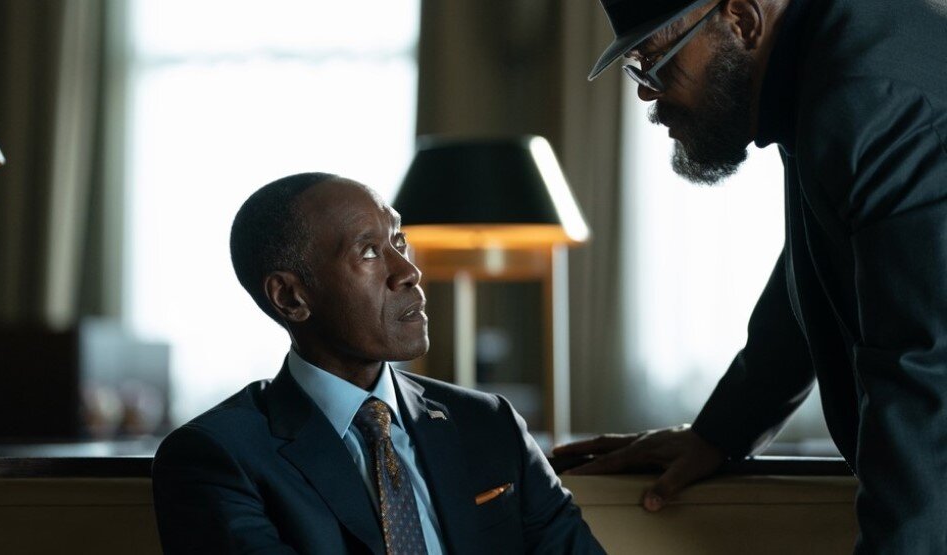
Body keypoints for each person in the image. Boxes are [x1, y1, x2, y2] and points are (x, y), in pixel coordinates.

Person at [555, 0, 947, 551]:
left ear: (741, 19)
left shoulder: (869, 94)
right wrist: (720, 432)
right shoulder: (822, 65)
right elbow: (824, 269)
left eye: (657, 61)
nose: (646, 93)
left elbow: (927, 372)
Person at [152, 173, 604, 554]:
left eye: (398, 241)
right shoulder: (217, 457)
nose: (408, 271)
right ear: (291, 297)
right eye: (369, 251)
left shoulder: (487, 423)